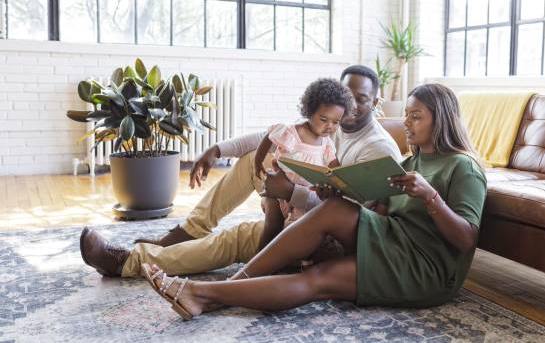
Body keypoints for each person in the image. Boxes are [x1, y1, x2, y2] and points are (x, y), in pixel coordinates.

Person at [140, 83, 487, 319]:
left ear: (439, 118)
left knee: (318, 280)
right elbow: (384, 212)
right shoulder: (412, 162)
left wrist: (431, 197)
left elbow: (466, 238)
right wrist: (348, 195)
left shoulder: (463, 167)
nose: (406, 123)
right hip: (393, 244)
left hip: (425, 269)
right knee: (335, 207)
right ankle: (222, 289)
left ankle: (205, 294)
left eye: (416, 116)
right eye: (407, 114)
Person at [79, 65, 402, 278]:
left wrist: (287, 193)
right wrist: (218, 150)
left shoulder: (377, 149)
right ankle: (189, 231)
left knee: (234, 238)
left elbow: (353, 217)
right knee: (252, 158)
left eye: (363, 99)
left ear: (376, 102)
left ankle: (128, 262)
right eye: (350, 97)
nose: (354, 106)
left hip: (322, 237)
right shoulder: (335, 123)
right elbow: (275, 135)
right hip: (297, 209)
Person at [254, 78, 351, 250]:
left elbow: (333, 164)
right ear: (310, 111)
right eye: (323, 119)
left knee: (300, 231)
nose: (330, 126)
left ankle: (292, 262)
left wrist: (342, 178)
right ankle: (256, 262)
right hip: (277, 193)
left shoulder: (326, 142)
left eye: (336, 122)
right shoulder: (293, 133)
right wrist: (257, 161)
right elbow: (268, 138)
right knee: (273, 225)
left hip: (300, 196)